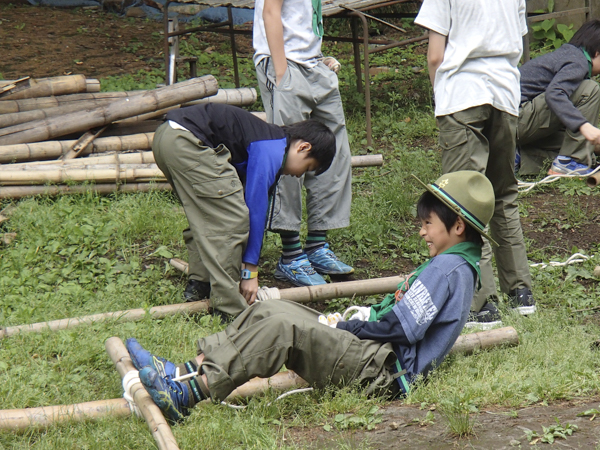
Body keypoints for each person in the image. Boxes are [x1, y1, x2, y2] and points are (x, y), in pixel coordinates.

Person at [126, 170, 494, 423]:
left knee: (284, 328)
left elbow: (400, 328)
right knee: (272, 307)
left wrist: (349, 328)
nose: (422, 232)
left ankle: (188, 394)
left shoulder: (449, 270)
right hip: (377, 356)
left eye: (427, 224)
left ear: (457, 225)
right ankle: (181, 374)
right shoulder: (454, 264)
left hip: (384, 370)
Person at [415, 0, 536, 328]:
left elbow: (436, 55)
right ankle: (520, 292)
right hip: (506, 95)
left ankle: (480, 304)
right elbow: (518, 45)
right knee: (503, 194)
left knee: (461, 206)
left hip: (463, 94)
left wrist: (442, 96)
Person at [153, 103, 335, 317]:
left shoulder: (267, 140)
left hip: (166, 137)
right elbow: (254, 210)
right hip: (188, 141)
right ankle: (228, 308)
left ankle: (200, 284)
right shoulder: (272, 148)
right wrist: (250, 272)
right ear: (303, 147)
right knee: (232, 219)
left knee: (208, 214)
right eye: (308, 168)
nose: (300, 175)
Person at [251, 0, 354, 287]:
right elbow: (271, 10)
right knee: (290, 156)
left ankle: (317, 246)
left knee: (334, 152)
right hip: (284, 65)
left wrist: (318, 58)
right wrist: (281, 71)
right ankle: (291, 255)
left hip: (313, 65)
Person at [517, 19, 600, 176]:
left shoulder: (568, 56)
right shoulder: (578, 62)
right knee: (590, 89)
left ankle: (518, 158)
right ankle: (570, 162)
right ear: (597, 52)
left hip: (511, 126)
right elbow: (555, 94)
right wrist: (583, 125)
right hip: (516, 120)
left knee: (577, 143)